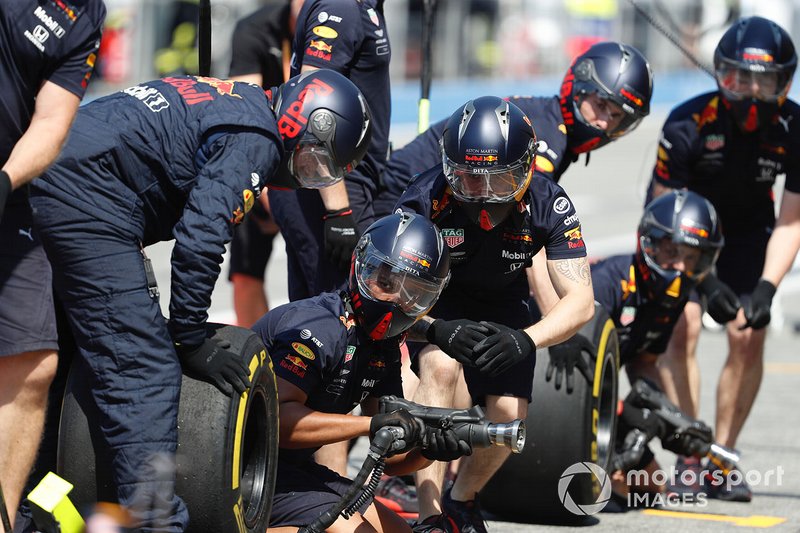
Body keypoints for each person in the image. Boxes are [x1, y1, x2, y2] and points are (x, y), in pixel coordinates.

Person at [27, 69, 372, 531]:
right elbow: (201, 237)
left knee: (55, 360)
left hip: (44, 170)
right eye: (316, 163)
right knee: (143, 370)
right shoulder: (258, 138)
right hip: (87, 198)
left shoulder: (239, 100)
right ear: (300, 121)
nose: (310, 176)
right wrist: (190, 336)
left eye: (324, 174)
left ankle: (34, 507)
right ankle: (156, 524)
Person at [395, 96, 596, 532]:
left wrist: (527, 339)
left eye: (499, 180)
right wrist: (435, 331)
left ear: (525, 168)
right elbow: (391, 295)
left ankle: (462, 499)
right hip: (438, 301)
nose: (484, 196)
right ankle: (429, 515)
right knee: (441, 370)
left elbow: (580, 301)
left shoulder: (550, 202)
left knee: (508, 413)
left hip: (505, 303)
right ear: (449, 169)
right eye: (469, 179)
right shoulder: (423, 198)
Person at [645, 15, 800, 502]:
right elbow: (657, 216)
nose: (752, 91)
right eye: (740, 77)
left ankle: (721, 458)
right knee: (682, 326)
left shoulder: (795, 128)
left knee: (748, 334)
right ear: (720, 75)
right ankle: (690, 452)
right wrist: (704, 283)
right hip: (683, 236)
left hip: (752, 235)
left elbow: (792, 220)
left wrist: (767, 288)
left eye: (766, 80)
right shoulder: (685, 124)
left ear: (785, 82)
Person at [253, 212, 474, 532]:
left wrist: (427, 451)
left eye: (415, 294)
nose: (398, 300)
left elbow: (391, 457)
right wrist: (368, 424)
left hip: (291, 469)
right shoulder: (317, 327)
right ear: (361, 266)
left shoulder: (381, 347)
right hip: (243, 468)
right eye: (386, 282)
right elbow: (277, 424)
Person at [0, 1, 106, 530]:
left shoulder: (85, 13)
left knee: (34, 362)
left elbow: (52, 120)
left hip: (10, 188)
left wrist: (5, 179)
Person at [576, 191, 725, 501]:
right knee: (612, 489)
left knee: (653, 488)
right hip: (568, 393)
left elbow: (644, 362)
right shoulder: (608, 282)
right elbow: (569, 360)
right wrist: (622, 412)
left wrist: (672, 419)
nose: (681, 267)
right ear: (650, 244)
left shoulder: (673, 298)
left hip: (602, 402)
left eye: (692, 259)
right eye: (672, 252)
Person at [268, 0, 393, 301]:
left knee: (310, 318)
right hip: (328, 183)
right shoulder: (342, 5)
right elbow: (311, 104)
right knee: (349, 312)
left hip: (335, 177)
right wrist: (339, 210)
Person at [226, 0, 294, 327]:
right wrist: (266, 190)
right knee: (245, 270)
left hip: (322, 165)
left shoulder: (340, 27)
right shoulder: (254, 30)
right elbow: (245, 116)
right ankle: (257, 358)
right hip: (266, 160)